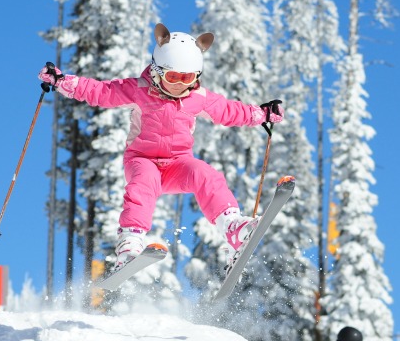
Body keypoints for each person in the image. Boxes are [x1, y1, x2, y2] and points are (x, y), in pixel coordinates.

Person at [39, 23, 283, 272]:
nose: (179, 84)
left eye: (187, 78)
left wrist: (261, 114)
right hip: (142, 159)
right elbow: (99, 91)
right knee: (142, 184)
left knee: (205, 174)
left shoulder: (197, 97)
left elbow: (229, 111)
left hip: (178, 164)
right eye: (173, 77)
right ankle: (130, 241)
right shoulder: (137, 90)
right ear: (157, 71)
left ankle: (232, 226)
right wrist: (61, 81)